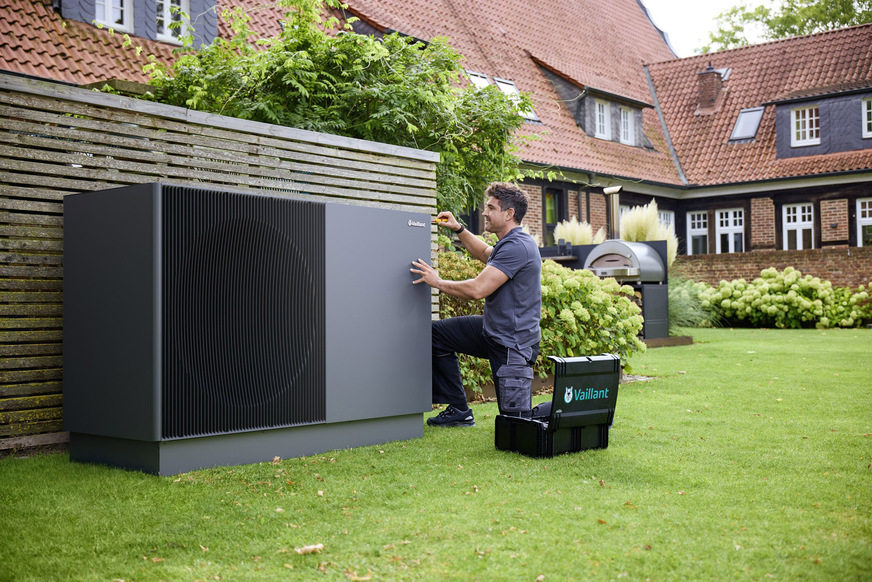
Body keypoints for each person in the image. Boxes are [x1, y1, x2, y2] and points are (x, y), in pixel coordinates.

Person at [410, 182, 542, 427]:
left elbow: (477, 290)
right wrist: (459, 228)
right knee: (435, 335)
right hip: (491, 331)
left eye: (491, 208)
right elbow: (484, 253)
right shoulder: (509, 242)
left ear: (509, 214)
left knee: (516, 423)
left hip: (513, 344)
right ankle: (459, 409)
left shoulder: (518, 246)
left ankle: (561, 411)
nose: (485, 213)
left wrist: (437, 281)